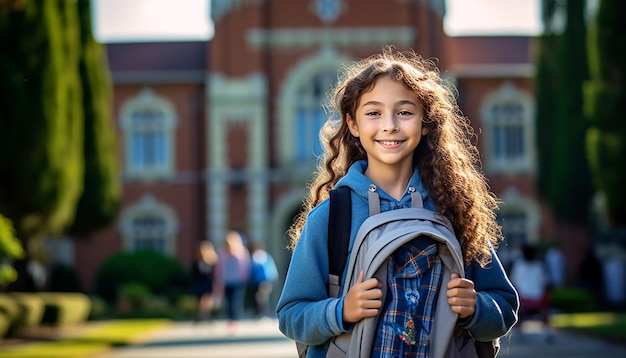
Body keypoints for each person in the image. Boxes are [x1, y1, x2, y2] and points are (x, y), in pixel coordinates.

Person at [276, 46, 519, 357]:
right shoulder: (333, 216)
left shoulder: (454, 208)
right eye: (373, 113)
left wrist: (475, 308)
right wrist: (341, 311)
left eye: (404, 112)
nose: (389, 125)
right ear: (353, 125)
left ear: (426, 122)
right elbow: (291, 314)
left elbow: (504, 306)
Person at [509, 244, 552, 342]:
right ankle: (546, 330)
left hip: (523, 300)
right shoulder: (540, 266)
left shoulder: (518, 265)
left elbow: (514, 282)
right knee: (546, 299)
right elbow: (544, 282)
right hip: (538, 299)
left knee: (516, 299)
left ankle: (518, 329)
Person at [214, 230, 251, 326]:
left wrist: (245, 278)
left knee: (236, 300)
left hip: (238, 280)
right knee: (228, 300)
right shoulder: (222, 253)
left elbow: (245, 266)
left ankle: (235, 319)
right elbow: (219, 268)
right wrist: (218, 279)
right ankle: (230, 318)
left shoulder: (241, 252)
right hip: (226, 280)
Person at [190, 240, 218, 324]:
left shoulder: (212, 262)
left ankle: (207, 316)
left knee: (208, 300)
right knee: (200, 300)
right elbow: (194, 274)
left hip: (208, 283)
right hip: (199, 284)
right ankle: (199, 316)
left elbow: (215, 274)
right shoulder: (197, 261)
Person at [249, 241, 279, 318]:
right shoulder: (265, 256)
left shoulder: (258, 257)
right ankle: (260, 313)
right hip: (263, 280)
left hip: (263, 280)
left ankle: (262, 313)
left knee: (261, 298)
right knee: (261, 298)